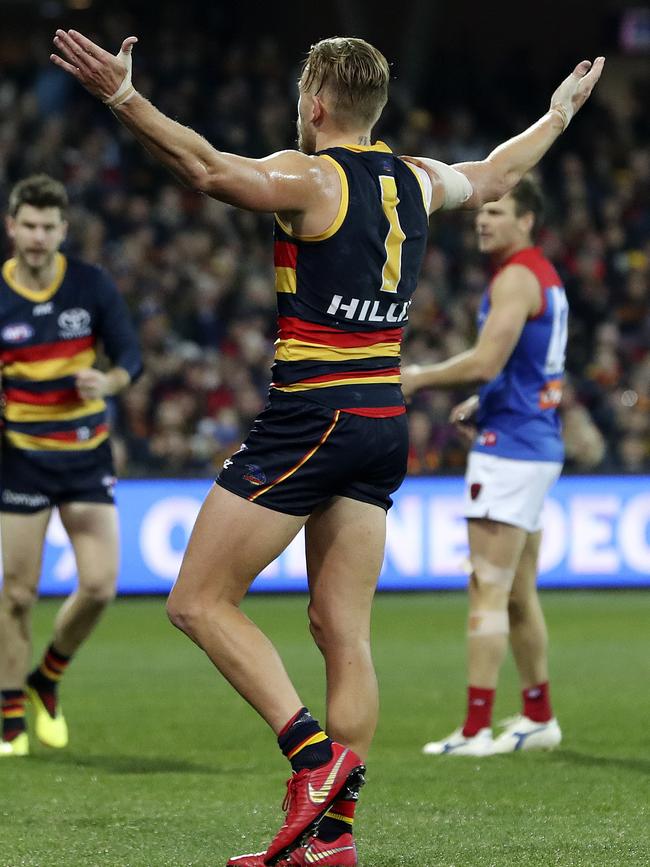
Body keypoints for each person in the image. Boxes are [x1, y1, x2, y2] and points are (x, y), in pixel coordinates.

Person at [50, 28, 603, 865]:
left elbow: (204, 169)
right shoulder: (416, 180)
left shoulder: (311, 175)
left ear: (314, 104)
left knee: (196, 600)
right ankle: (333, 842)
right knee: (342, 631)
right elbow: (498, 172)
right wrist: (558, 115)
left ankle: (314, 760)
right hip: (383, 423)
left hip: (314, 415)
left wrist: (123, 98)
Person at [402, 177, 569, 756]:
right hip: (535, 440)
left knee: (488, 588)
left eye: (497, 211)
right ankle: (538, 717)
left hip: (511, 449)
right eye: (482, 212)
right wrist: (491, 397)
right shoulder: (540, 276)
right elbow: (523, 367)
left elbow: (486, 359)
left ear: (527, 222)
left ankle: (475, 730)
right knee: (519, 591)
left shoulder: (517, 278)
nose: (483, 218)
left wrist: (417, 376)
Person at [0, 174, 142, 758]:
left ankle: (48, 675)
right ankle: (10, 714)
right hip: (21, 460)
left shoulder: (90, 285)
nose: (37, 236)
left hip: (86, 455)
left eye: (48, 227)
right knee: (16, 594)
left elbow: (130, 355)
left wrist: (106, 379)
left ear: (63, 230)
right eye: (28, 225)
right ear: (12, 227)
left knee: (101, 585)